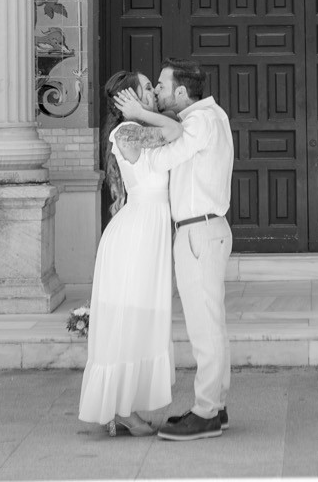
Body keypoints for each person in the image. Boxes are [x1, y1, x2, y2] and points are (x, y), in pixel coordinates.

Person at [123, 62, 234, 442]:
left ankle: (205, 412)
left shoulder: (201, 121)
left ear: (182, 93)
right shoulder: (208, 116)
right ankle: (214, 407)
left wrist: (139, 147)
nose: (157, 91)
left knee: (205, 327)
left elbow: (166, 158)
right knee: (211, 323)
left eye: (161, 85)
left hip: (198, 232)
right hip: (202, 229)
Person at [76, 70, 180, 436]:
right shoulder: (126, 131)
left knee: (140, 323)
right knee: (129, 322)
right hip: (134, 238)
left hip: (146, 232)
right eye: (147, 88)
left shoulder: (138, 129)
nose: (153, 93)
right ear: (128, 99)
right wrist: (139, 111)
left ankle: (127, 405)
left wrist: (143, 109)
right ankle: (119, 409)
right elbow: (174, 132)